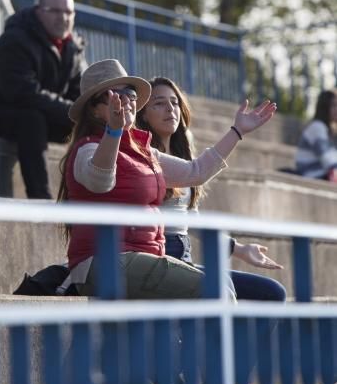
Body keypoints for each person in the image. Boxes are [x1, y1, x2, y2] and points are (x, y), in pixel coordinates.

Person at [58, 58, 277, 300]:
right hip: (101, 263)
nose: (127, 102)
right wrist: (113, 131)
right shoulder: (86, 149)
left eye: (130, 94)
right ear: (93, 109)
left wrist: (237, 132)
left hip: (145, 255)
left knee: (230, 287)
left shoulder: (144, 151)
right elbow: (100, 181)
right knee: (218, 291)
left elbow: (196, 172)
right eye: (114, 97)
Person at [136, 76, 286, 302]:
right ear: (144, 115)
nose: (170, 109)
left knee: (272, 293)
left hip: (183, 254)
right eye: (158, 103)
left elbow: (193, 221)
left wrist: (239, 248)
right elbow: (197, 171)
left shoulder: (182, 152)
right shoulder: (144, 154)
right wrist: (237, 131)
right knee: (221, 289)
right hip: (161, 255)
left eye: (175, 102)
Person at [0, 0, 87, 199]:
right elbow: (22, 93)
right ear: (39, 11)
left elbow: (78, 94)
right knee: (32, 119)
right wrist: (73, 111)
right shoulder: (15, 39)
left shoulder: (72, 47)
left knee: (87, 124)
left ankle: (82, 199)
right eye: (55, 11)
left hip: (32, 111)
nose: (63, 18)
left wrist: (85, 114)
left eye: (69, 13)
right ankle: (40, 199)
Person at [295, 89, 337, 181]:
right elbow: (327, 158)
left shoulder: (328, 130)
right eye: (334, 105)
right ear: (325, 107)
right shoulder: (317, 127)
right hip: (311, 174)